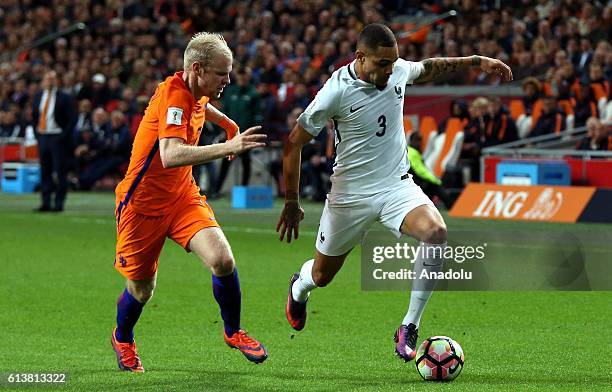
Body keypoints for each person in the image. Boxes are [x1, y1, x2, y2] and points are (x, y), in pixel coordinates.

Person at [276, 23, 512, 362]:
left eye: (393, 62)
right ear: (360, 57)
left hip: (395, 185)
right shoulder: (335, 92)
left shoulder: (397, 70)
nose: (390, 70)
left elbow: (430, 67)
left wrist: (477, 60)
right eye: (382, 64)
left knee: (436, 232)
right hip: (350, 195)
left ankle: (408, 326)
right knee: (321, 276)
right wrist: (292, 201)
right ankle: (299, 287)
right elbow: (293, 144)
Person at [111, 32, 268, 372]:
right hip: (142, 206)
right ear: (198, 69)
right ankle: (123, 337)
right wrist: (229, 146)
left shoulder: (191, 89)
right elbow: (170, 154)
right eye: (222, 74)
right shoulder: (173, 96)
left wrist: (227, 124)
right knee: (141, 290)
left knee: (222, 260)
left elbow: (201, 106)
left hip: (181, 197)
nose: (228, 80)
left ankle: (233, 331)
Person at [32, 70, 75, 212]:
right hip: (43, 136)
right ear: (43, 81)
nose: (49, 81)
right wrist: (37, 134)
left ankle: (59, 203)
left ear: (57, 81)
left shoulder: (64, 97)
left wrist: (63, 136)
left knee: (60, 171)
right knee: (45, 171)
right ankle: (45, 202)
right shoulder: (38, 96)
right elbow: (34, 117)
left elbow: (71, 119)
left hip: (57, 136)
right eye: (47, 79)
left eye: (52, 79)